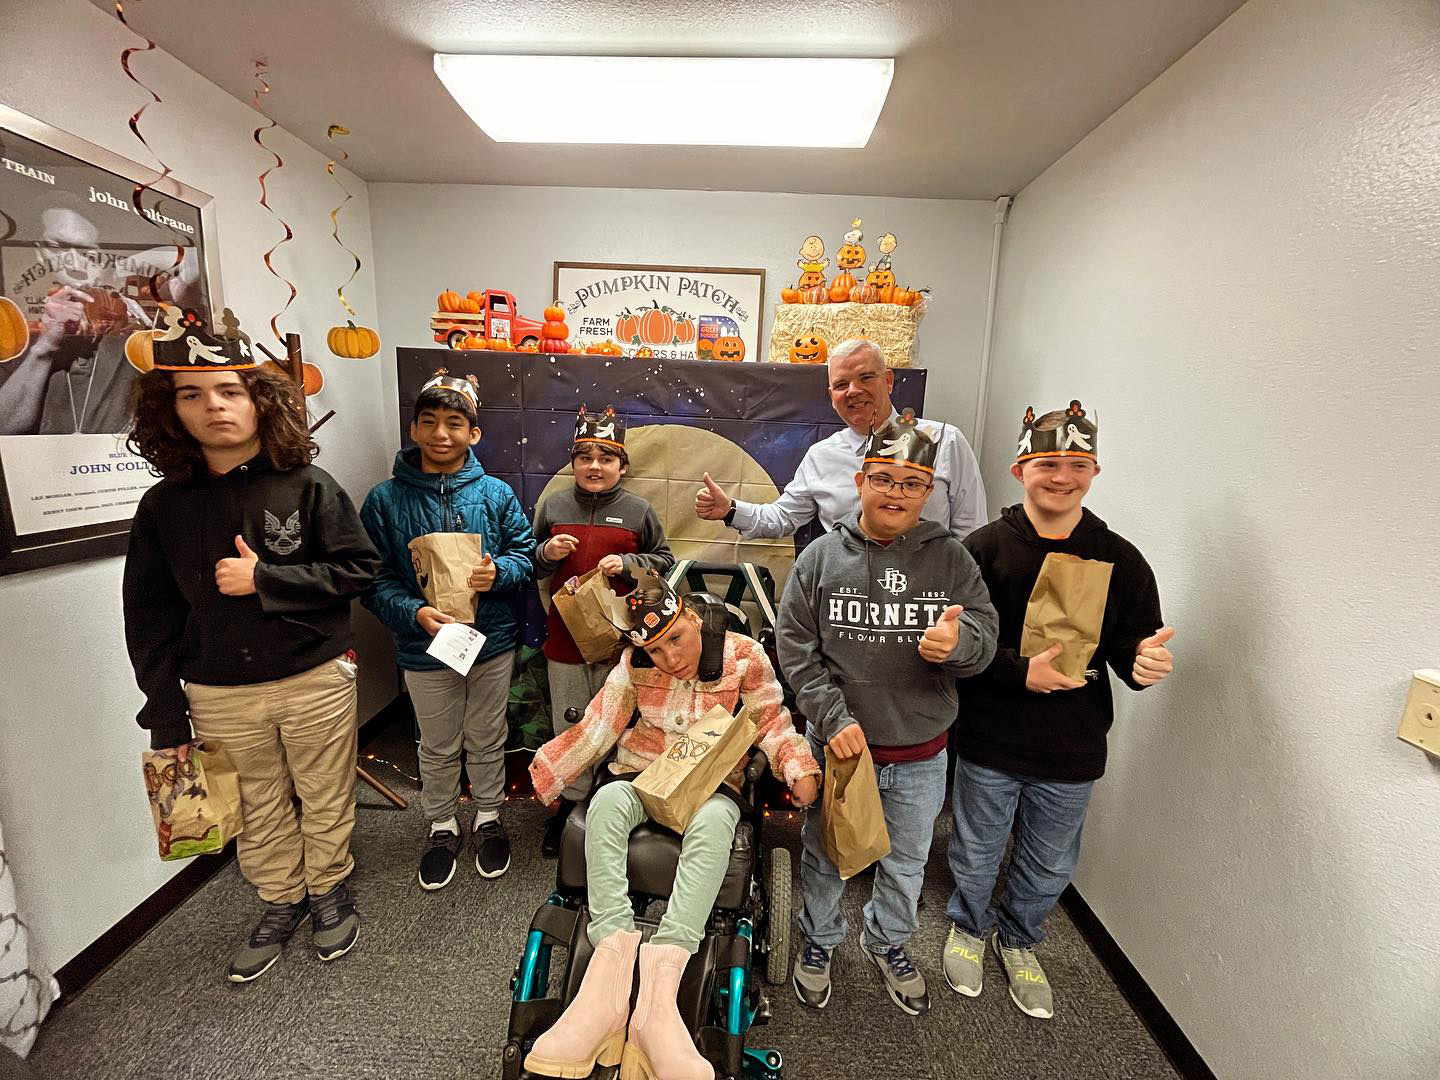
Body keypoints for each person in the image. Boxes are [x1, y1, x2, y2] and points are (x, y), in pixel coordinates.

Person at [120, 307, 379, 983]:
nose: (213, 406)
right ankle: (280, 898)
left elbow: (359, 570)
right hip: (218, 689)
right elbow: (147, 615)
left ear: (259, 400)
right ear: (171, 410)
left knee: (324, 791)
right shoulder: (163, 507)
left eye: (229, 390)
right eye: (192, 394)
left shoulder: (309, 486)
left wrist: (266, 579)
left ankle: (329, 887)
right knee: (256, 802)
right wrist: (164, 711)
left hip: (313, 675)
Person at [526, 571, 819, 1080]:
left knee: (716, 822)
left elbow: (771, 721)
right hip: (644, 773)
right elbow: (600, 724)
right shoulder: (634, 662)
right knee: (606, 803)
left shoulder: (743, 655)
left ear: (692, 618)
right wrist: (551, 769)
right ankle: (610, 968)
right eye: (656, 650)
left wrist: (798, 768)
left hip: (711, 784)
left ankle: (659, 996)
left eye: (677, 640)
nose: (670, 658)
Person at [942, 401, 1174, 1020]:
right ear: (1020, 469)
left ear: (1095, 471)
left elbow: (1130, 643)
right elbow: (958, 646)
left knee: (1050, 862)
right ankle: (968, 924)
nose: (1062, 476)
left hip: (1073, 744)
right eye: (1048, 463)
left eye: (1077, 464)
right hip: (990, 736)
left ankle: (1020, 940)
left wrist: (1142, 663)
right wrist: (1018, 670)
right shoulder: (982, 551)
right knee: (976, 848)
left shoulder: (1120, 558)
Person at [777, 409, 999, 1016]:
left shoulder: (951, 559)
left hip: (922, 752)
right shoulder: (820, 558)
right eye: (883, 478)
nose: (895, 493)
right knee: (826, 854)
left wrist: (961, 645)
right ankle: (820, 941)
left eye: (912, 483)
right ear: (861, 480)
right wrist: (831, 717)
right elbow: (795, 648)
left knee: (906, 863)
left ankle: (889, 941)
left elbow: (984, 632)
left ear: (929, 492)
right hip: (842, 747)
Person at [359, 371, 536, 890]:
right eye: (430, 422)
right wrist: (414, 612)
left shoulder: (496, 494)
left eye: (455, 423)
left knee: (487, 734)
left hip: (491, 640)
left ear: (473, 433)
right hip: (424, 645)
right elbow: (371, 577)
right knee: (437, 741)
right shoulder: (384, 500)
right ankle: (441, 823)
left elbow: (524, 553)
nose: (441, 434)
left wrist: (500, 573)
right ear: (413, 429)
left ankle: (488, 815)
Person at [531, 405, 673, 856]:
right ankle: (569, 808)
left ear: (622, 466)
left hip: (620, 642)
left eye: (606, 458)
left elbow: (665, 561)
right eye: (585, 457)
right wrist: (547, 553)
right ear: (573, 463)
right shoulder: (554, 506)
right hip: (564, 639)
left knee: (619, 723)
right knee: (570, 720)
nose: (595, 466)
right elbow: (530, 562)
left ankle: (609, 806)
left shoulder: (639, 510)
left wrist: (629, 564)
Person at [694, 338, 986, 540]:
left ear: (888, 381)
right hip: (848, 596)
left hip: (927, 597)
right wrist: (731, 510)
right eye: (841, 384)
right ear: (831, 396)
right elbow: (784, 517)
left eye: (866, 378)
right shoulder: (822, 456)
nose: (853, 391)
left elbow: (971, 531)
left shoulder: (944, 441)